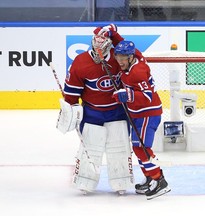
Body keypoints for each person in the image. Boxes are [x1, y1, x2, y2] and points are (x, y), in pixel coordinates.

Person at [56, 24, 134, 195]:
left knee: (119, 148)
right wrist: (70, 109)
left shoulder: (118, 58)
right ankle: (86, 181)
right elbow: (71, 93)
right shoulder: (81, 61)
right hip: (93, 112)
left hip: (117, 112)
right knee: (90, 149)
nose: (98, 52)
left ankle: (121, 181)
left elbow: (133, 76)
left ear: (108, 46)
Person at [112, 40, 171, 200]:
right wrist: (112, 33)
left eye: (124, 57)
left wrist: (127, 95)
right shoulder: (136, 57)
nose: (120, 61)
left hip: (147, 113)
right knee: (138, 147)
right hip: (138, 113)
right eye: (118, 57)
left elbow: (147, 96)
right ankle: (150, 178)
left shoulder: (137, 71)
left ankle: (160, 181)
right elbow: (122, 43)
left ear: (131, 57)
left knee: (142, 149)